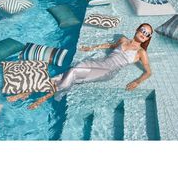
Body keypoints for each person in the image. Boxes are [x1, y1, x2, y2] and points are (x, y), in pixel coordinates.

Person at [8, 23, 153, 109]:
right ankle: (34, 92)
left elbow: (148, 72)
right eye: (143, 30)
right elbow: (110, 45)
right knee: (71, 71)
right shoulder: (123, 40)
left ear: (147, 38)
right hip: (101, 62)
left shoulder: (141, 52)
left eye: (147, 34)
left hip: (108, 71)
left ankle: (43, 95)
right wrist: (92, 48)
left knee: (74, 71)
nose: (144, 34)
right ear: (137, 30)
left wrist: (137, 81)